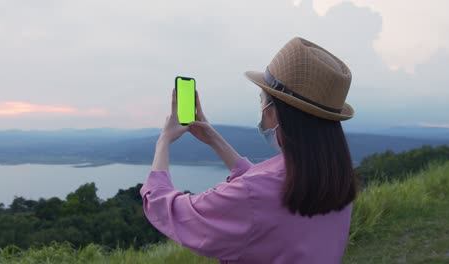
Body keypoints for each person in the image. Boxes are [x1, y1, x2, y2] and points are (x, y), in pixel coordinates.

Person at [140, 36, 358, 263]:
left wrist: (163, 141)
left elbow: (167, 209)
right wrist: (214, 139)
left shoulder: (255, 195)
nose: (262, 109)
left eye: (262, 100)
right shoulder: (334, 179)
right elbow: (265, 190)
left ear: (275, 111)